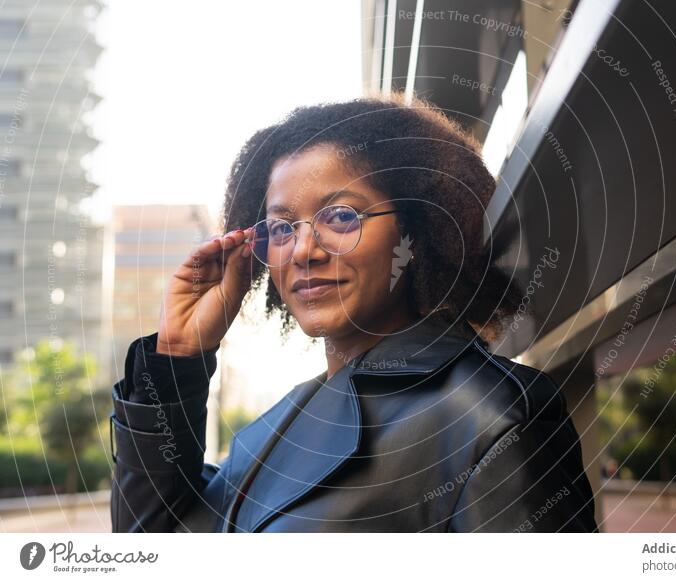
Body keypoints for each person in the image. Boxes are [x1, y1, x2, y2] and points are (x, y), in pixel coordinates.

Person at [108, 92, 598, 533]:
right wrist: (177, 359)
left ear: (416, 230)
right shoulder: (279, 424)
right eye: (282, 228)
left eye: (341, 216)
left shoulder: (492, 419)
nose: (303, 250)